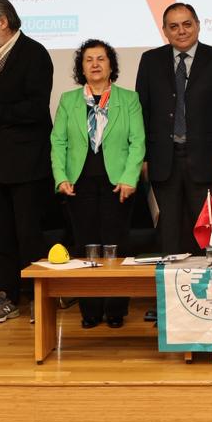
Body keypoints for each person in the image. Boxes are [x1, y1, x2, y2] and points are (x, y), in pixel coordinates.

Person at [51, 39, 144, 328]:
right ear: (81, 67)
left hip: (118, 184)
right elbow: (58, 142)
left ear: (110, 65)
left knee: (117, 246)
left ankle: (116, 310)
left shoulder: (129, 99)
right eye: (88, 59)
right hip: (78, 184)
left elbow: (137, 141)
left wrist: (130, 178)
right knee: (85, 246)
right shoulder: (68, 100)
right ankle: (90, 311)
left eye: (101, 59)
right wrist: (61, 177)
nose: (95, 64)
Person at [0, 0, 54, 323]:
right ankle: (7, 296)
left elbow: (35, 108)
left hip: (27, 164)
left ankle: (38, 298)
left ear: (2, 22)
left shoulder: (34, 54)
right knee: (1, 234)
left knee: (29, 234)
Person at [135, 3, 212, 259]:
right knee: (167, 235)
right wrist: (143, 157)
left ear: (198, 26)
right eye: (174, 26)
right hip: (163, 161)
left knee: (210, 235)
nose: (181, 31)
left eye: (187, 24)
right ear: (165, 31)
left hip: (207, 161)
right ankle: (169, 283)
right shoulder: (150, 60)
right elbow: (141, 113)